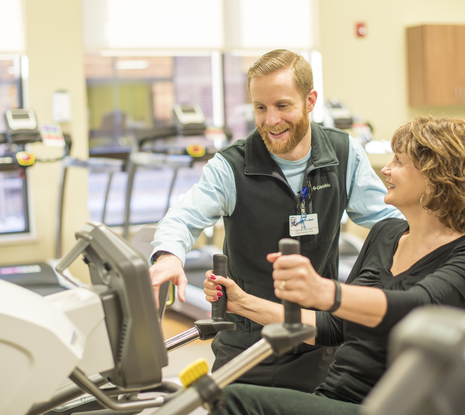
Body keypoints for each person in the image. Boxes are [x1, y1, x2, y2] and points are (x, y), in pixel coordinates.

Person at [149, 49, 400, 392]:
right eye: (260, 108)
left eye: (282, 106)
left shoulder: (344, 154)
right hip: (247, 344)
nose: (271, 120)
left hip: (317, 339)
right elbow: (183, 217)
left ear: (310, 101)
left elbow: (389, 220)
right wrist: (168, 256)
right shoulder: (231, 166)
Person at [206, 116, 465, 415]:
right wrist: (241, 304)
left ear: (435, 177)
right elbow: (334, 326)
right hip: (333, 395)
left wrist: (324, 291)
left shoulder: (459, 254)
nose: (386, 169)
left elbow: (416, 307)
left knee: (233, 400)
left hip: (386, 407)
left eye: (399, 161)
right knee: (223, 397)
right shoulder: (385, 233)